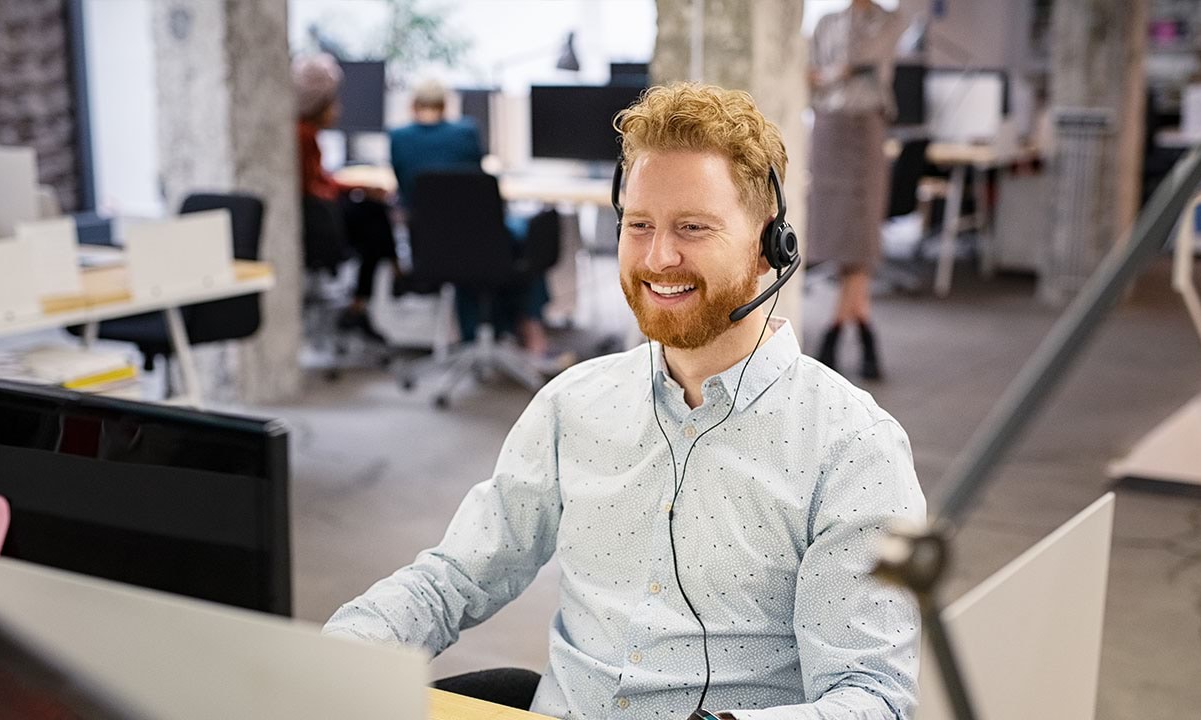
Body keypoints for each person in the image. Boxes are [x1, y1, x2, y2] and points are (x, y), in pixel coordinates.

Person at [325, 82, 926, 720]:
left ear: (767, 246)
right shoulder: (573, 405)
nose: (659, 257)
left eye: (692, 228)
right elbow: (455, 578)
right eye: (639, 225)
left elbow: (872, 700)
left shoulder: (851, 447)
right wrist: (332, 655)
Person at [389, 79, 551, 357]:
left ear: (412, 106)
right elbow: (471, 185)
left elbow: (404, 192)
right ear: (446, 105)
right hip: (479, 242)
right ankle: (529, 327)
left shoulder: (398, 137)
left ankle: (475, 335)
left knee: (472, 253)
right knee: (523, 238)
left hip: (430, 248)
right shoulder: (466, 132)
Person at [808, 0, 904, 380]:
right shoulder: (826, 21)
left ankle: (834, 330)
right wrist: (838, 73)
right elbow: (810, 73)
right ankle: (862, 324)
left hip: (865, 130)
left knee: (861, 236)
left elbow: (860, 58)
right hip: (828, 130)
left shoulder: (888, 21)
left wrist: (834, 72)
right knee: (837, 236)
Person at [293, 53, 395, 341]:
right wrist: (357, 188)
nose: (339, 108)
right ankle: (383, 284)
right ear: (319, 103)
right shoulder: (303, 135)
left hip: (322, 215)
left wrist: (355, 186)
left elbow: (321, 181)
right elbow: (315, 188)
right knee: (375, 215)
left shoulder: (306, 133)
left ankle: (373, 291)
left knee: (373, 210)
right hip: (321, 226)